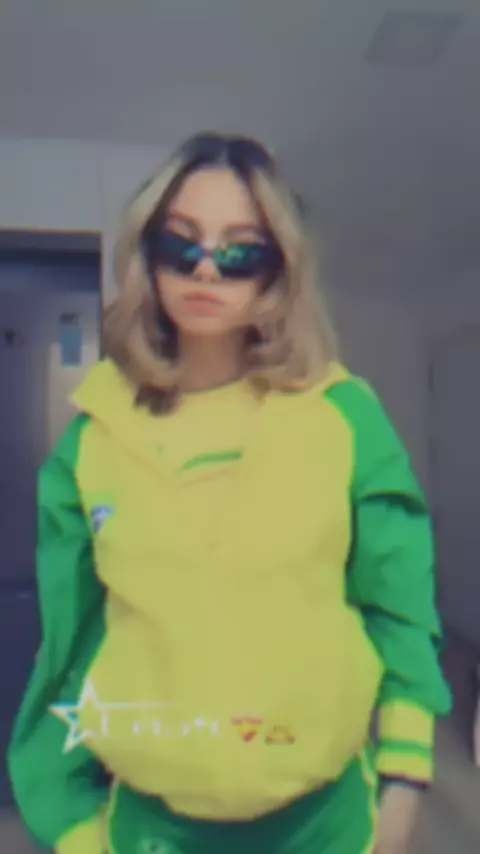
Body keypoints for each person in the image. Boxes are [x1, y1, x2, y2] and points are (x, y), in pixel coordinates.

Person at [9, 133, 451, 854]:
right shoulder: (92, 442)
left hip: (326, 824)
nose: (207, 267)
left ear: (278, 270)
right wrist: (77, 829)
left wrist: (404, 781)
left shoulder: (344, 417)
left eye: (241, 250)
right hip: (153, 828)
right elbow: (70, 649)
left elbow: (398, 606)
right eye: (180, 244)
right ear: (147, 257)